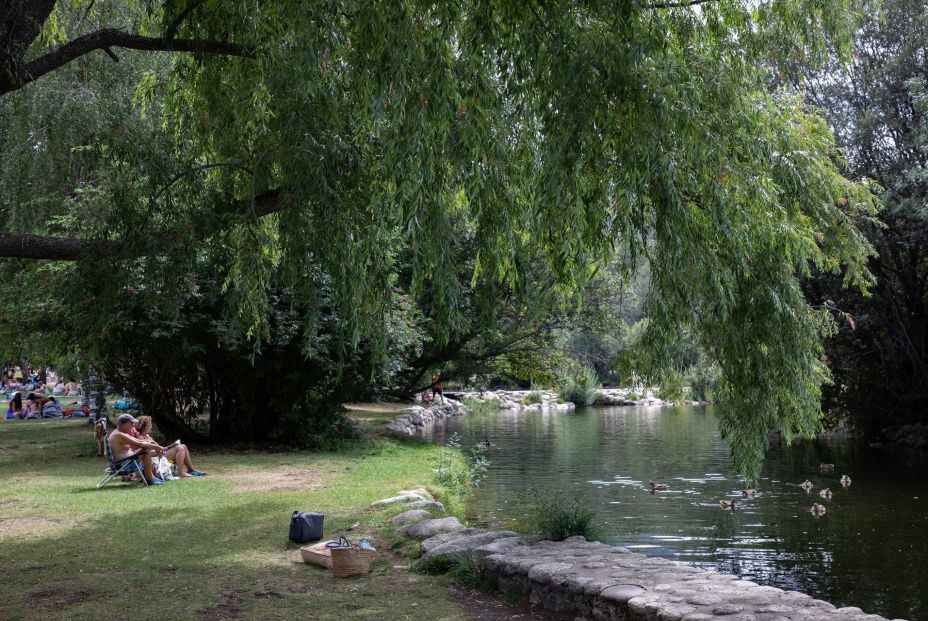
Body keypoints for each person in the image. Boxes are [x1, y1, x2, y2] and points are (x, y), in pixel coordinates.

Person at [133, 415, 206, 477]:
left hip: (159, 455)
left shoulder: (147, 436)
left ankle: (191, 470)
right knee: (180, 448)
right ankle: (181, 473)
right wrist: (159, 449)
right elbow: (145, 453)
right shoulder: (140, 437)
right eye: (149, 425)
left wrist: (166, 448)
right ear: (144, 427)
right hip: (154, 460)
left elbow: (157, 447)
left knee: (183, 446)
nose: (151, 427)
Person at [108, 413, 167, 485]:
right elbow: (141, 444)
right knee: (146, 449)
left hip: (127, 461)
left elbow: (139, 441)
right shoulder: (119, 435)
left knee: (146, 447)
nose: (133, 425)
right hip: (124, 465)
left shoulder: (120, 433)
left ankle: (150, 477)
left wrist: (151, 443)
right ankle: (150, 478)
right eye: (131, 423)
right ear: (123, 424)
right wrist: (157, 447)